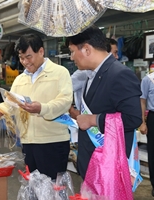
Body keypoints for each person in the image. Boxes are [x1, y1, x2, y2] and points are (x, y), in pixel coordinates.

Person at [0, 34, 73, 180]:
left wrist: (42, 108)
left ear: (41, 51)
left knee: (53, 189)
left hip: (53, 142)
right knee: (34, 188)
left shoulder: (60, 73)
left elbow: (65, 101)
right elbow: (11, 103)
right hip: (28, 142)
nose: (25, 62)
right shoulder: (20, 79)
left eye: (29, 57)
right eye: (21, 58)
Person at [66, 26, 142, 180]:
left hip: (109, 168)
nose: (72, 58)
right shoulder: (91, 74)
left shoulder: (120, 74)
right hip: (93, 164)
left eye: (73, 51)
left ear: (87, 49)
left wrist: (93, 119)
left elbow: (133, 118)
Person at [69, 38, 119, 118]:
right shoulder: (84, 73)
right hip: (86, 122)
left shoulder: (117, 74)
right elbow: (62, 91)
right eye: (115, 53)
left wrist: (93, 120)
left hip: (105, 125)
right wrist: (72, 111)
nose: (117, 57)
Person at [139, 69, 154, 196]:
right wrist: (142, 122)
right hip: (153, 117)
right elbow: (142, 101)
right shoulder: (148, 79)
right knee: (153, 152)